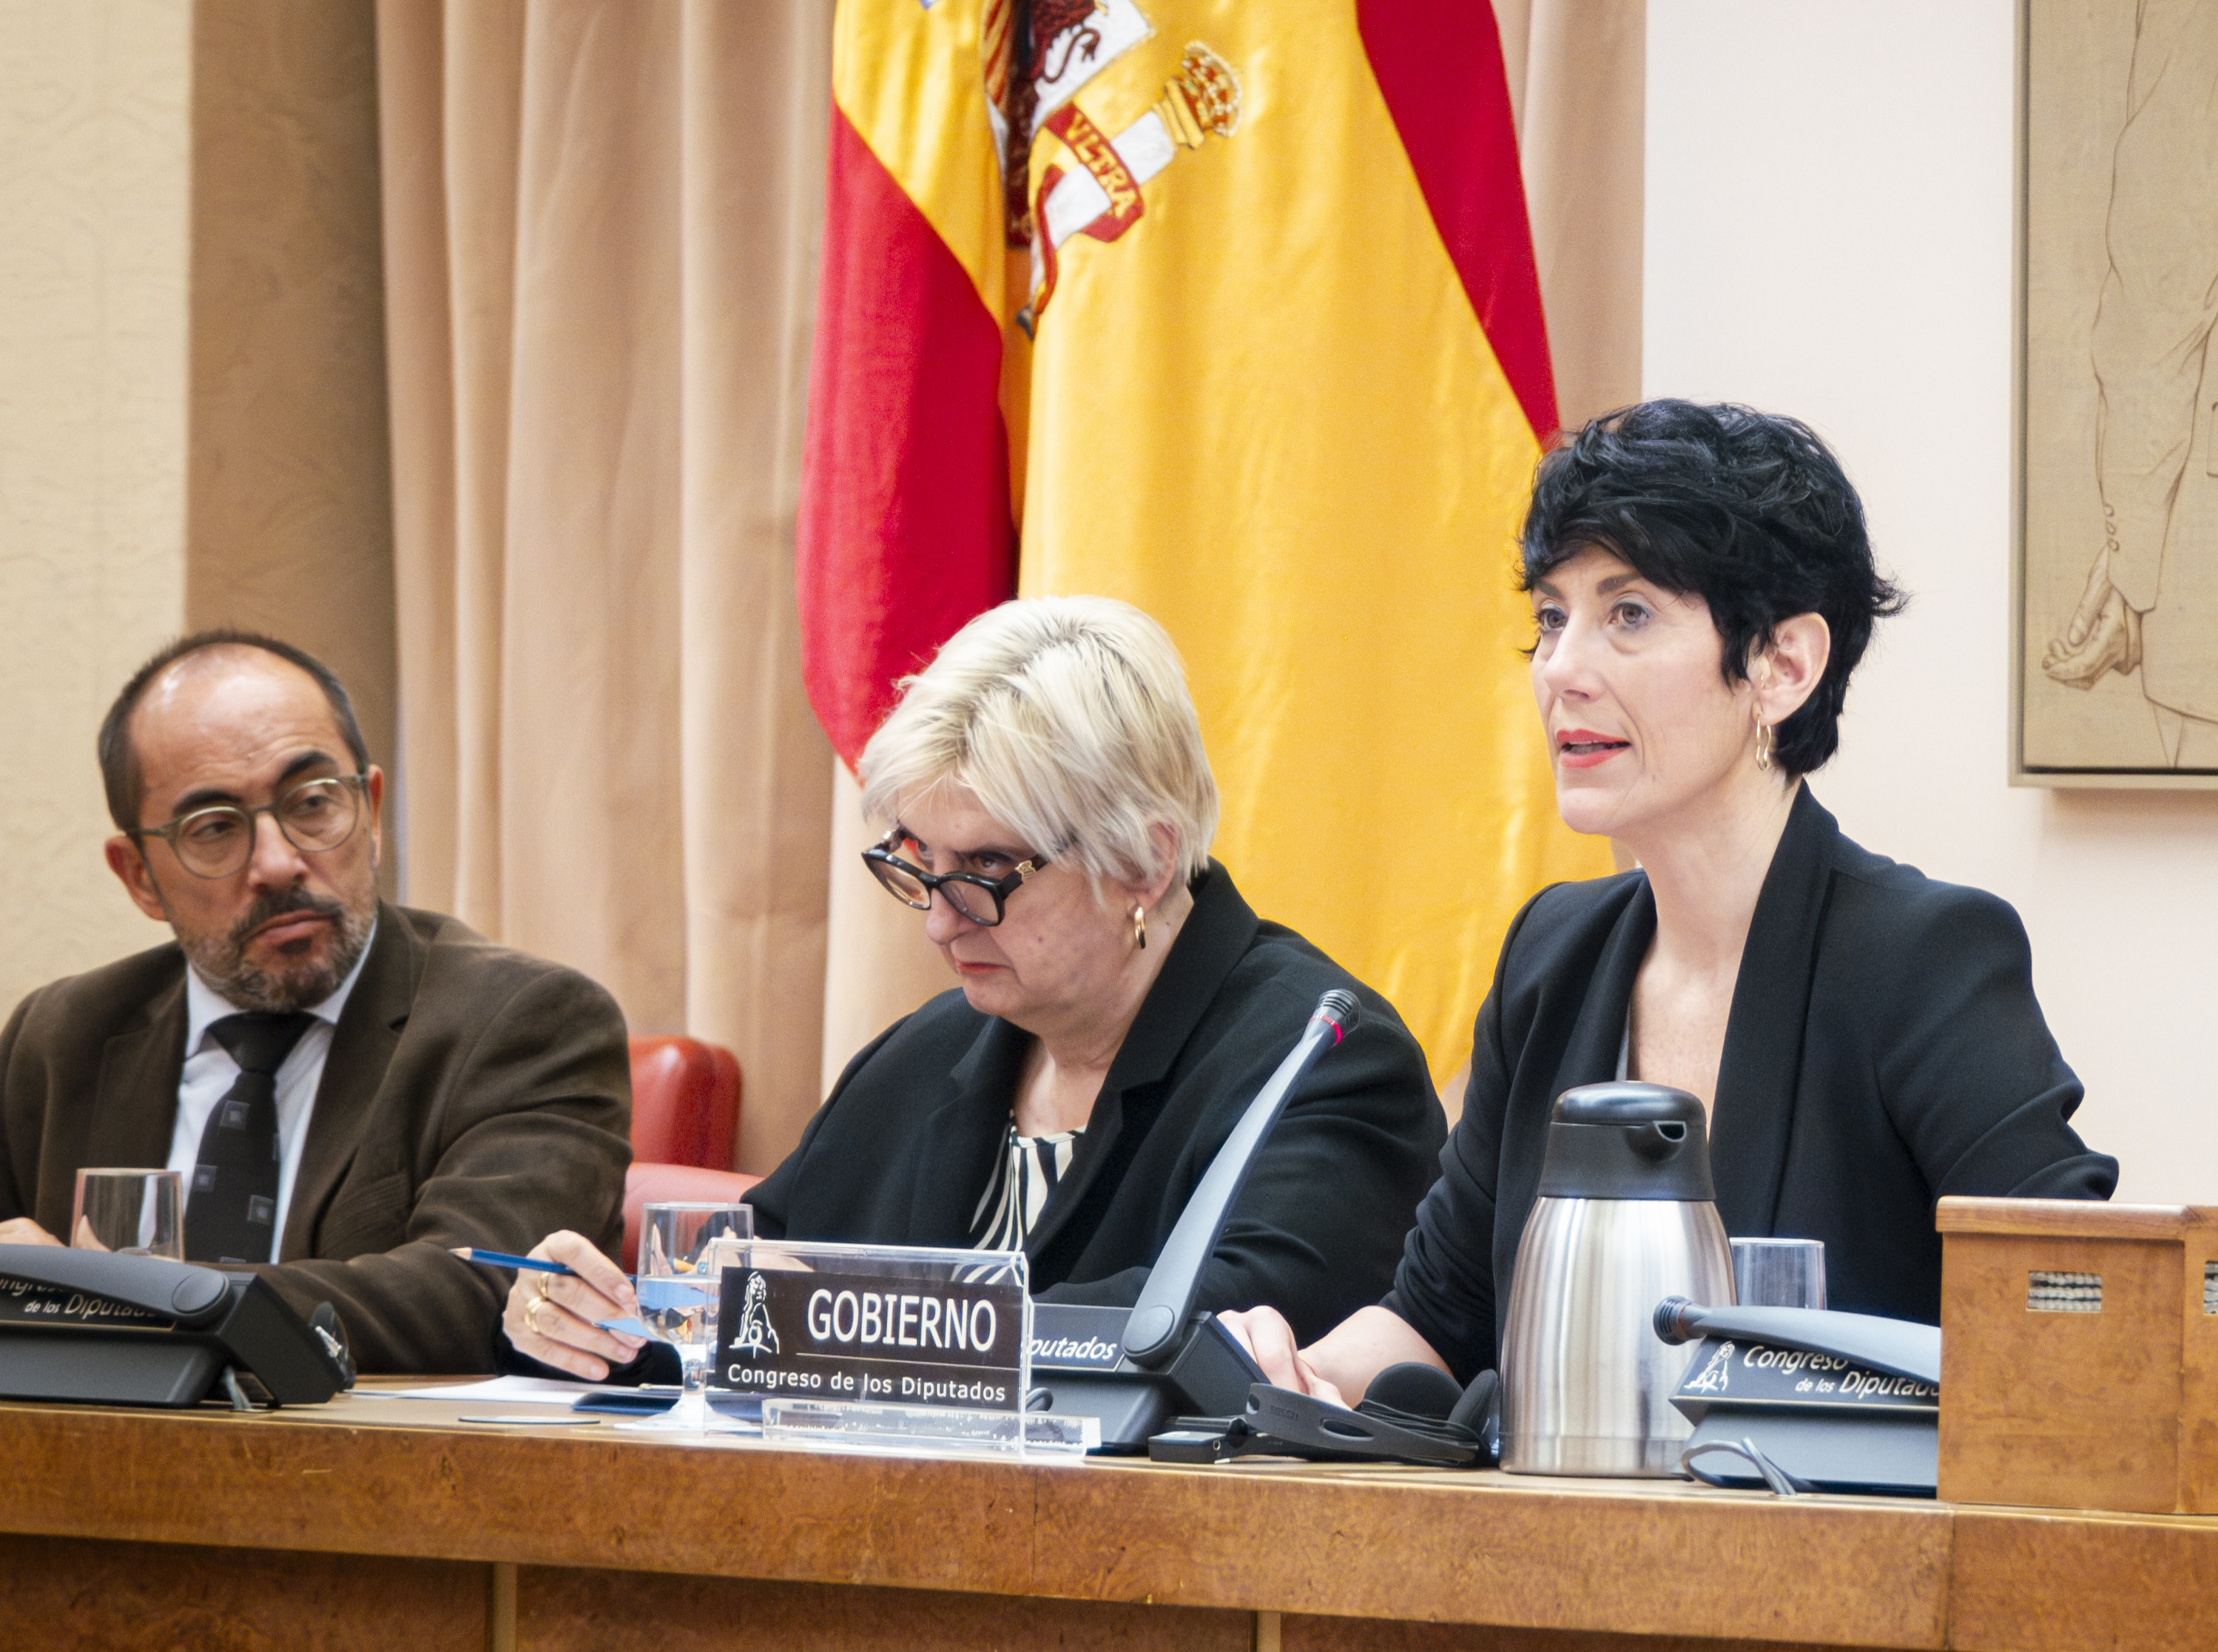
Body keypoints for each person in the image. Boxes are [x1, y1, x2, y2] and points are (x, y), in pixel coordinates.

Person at [1224, 401, 2119, 1405]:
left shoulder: (1919, 957)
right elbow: (1438, 1313)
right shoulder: (1550, 957)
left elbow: (2074, 1308)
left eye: (1629, 614)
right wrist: (1283, 1375)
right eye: (1551, 618)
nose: (1561, 670)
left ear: (1781, 667)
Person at [506, 596, 1446, 1380]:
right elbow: (743, 1289)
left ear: (1147, 862)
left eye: (989, 868)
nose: (941, 919)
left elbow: (1207, 1334)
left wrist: (839, 1318)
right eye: (919, 864)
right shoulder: (927, 1054)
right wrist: (607, 1324)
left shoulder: (1320, 1058)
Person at [0, 633, 632, 1373]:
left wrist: (117, 1297)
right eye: (214, 829)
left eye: (311, 804)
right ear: (139, 875)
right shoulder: (59, 1038)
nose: (277, 862)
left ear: (370, 811)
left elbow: (484, 1292)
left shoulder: (529, 1021)